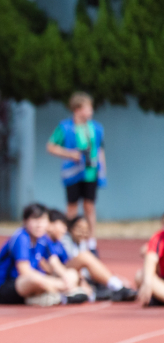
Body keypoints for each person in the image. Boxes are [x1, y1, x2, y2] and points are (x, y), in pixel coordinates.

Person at [0, 203, 87, 306]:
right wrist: (54, 283)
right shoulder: (21, 238)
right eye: (35, 220)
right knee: (35, 279)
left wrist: (66, 278)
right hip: (9, 287)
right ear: (25, 221)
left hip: (39, 283)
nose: (39, 224)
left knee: (72, 273)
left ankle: (50, 296)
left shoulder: (43, 239)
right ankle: (63, 294)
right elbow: (25, 271)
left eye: (43, 220)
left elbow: (55, 263)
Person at [46, 92, 106, 253]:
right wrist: (70, 154)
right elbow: (51, 146)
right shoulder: (65, 127)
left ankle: (90, 241)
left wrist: (103, 173)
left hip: (90, 173)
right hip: (72, 173)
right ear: (77, 109)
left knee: (89, 206)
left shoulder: (96, 128)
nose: (90, 112)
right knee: (72, 207)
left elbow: (100, 150)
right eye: (87, 108)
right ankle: (69, 239)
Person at [55, 214, 137, 301]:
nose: (82, 232)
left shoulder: (82, 243)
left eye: (85, 230)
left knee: (100, 274)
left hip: (79, 276)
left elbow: (91, 268)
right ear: (71, 229)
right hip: (65, 273)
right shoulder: (65, 241)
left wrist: (114, 276)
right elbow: (72, 264)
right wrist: (83, 281)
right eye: (79, 229)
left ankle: (114, 285)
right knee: (85, 257)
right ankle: (116, 286)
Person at [136, 215, 164, 307]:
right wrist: (147, 283)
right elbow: (151, 258)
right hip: (161, 281)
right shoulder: (159, 238)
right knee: (140, 276)